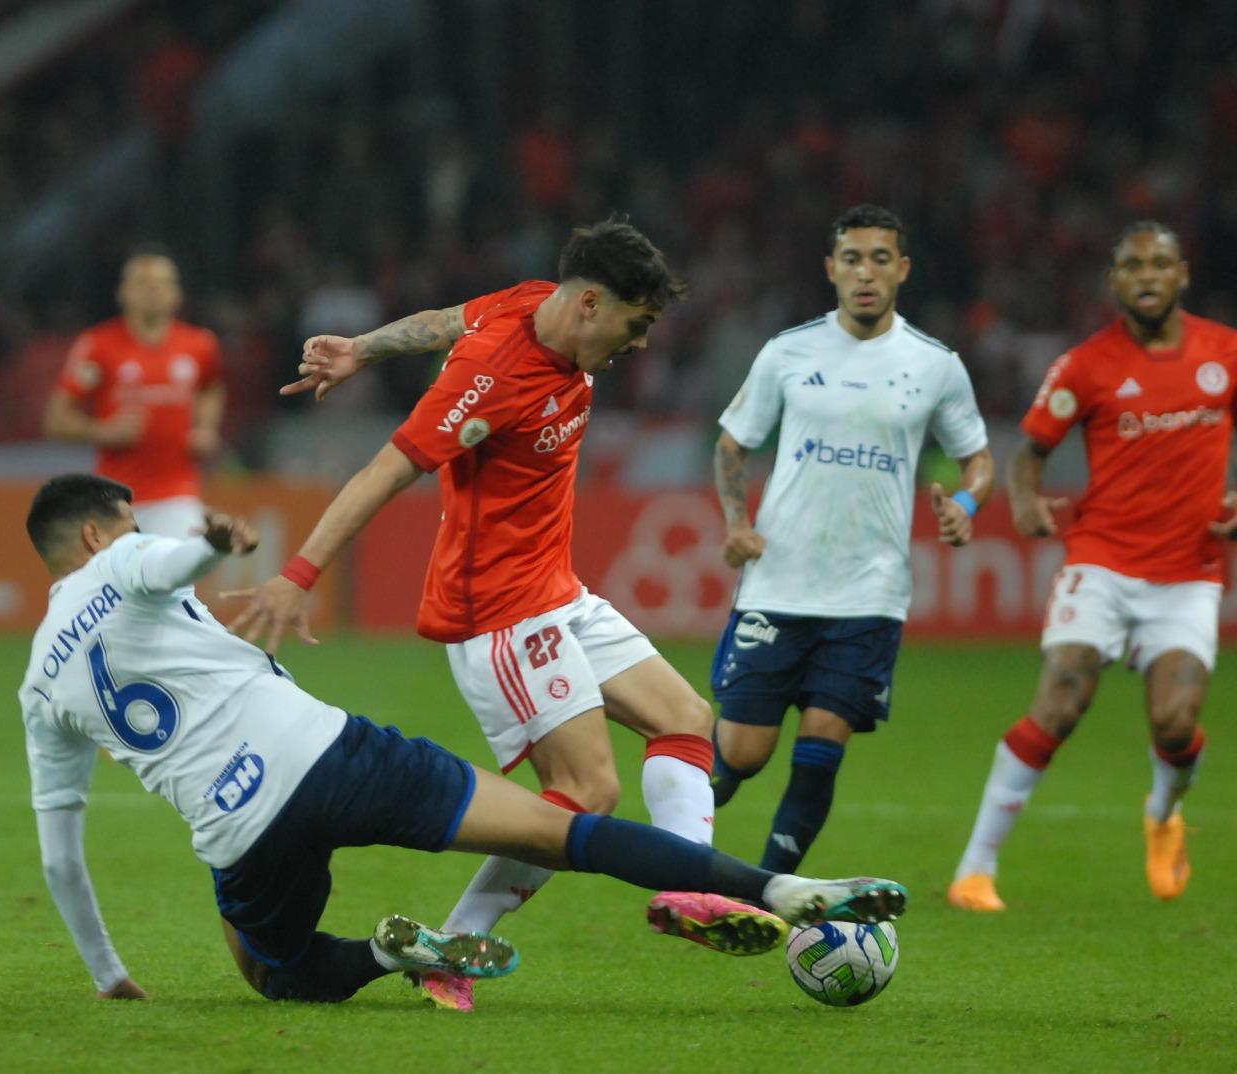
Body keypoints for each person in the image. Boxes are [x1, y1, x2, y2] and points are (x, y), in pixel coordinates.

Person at [17, 473, 908, 1002]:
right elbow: (167, 560)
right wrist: (207, 543)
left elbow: (61, 859)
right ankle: (780, 890)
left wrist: (107, 973)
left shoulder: (37, 684)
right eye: (129, 524)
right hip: (335, 755)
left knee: (268, 971)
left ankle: (388, 954)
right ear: (98, 534)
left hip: (240, 831)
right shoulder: (128, 560)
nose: (137, 535)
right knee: (570, 829)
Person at [227, 217, 772, 1014]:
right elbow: (386, 470)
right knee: (586, 795)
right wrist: (297, 574)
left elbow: (446, 318)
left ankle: (688, 886)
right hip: (500, 613)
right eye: (637, 323)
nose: (641, 344)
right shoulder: (491, 375)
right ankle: (451, 954)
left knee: (686, 718)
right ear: (590, 303)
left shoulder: (525, 304)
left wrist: (362, 348)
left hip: (556, 590)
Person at [948, 221, 1237, 910]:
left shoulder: (1223, 353)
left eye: (1159, 264)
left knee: (1174, 723)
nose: (1146, 276)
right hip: (1102, 560)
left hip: (1189, 571)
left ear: (1181, 274)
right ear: (1113, 281)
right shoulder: (1086, 365)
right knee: (1063, 695)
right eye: (1132, 266)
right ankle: (974, 868)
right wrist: (1022, 502)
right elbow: (1028, 451)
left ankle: (1164, 813)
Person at [707, 204, 993, 877]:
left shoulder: (935, 365)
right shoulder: (788, 351)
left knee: (822, 742)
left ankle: (767, 892)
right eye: (854, 259)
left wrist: (969, 502)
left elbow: (978, 456)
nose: (867, 273)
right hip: (779, 583)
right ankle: (672, 859)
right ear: (832, 269)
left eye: (881, 259)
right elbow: (732, 444)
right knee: (743, 752)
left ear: (903, 271)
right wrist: (734, 523)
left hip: (869, 593)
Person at [43, 246, 225, 539]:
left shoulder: (200, 346)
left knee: (174, 577)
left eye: (160, 284)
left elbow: (212, 388)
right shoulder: (97, 346)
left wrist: (205, 428)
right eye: (141, 283)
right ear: (122, 294)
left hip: (176, 494)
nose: (151, 291)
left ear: (176, 295)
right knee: (119, 585)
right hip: (114, 498)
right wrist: (104, 432)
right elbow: (56, 421)